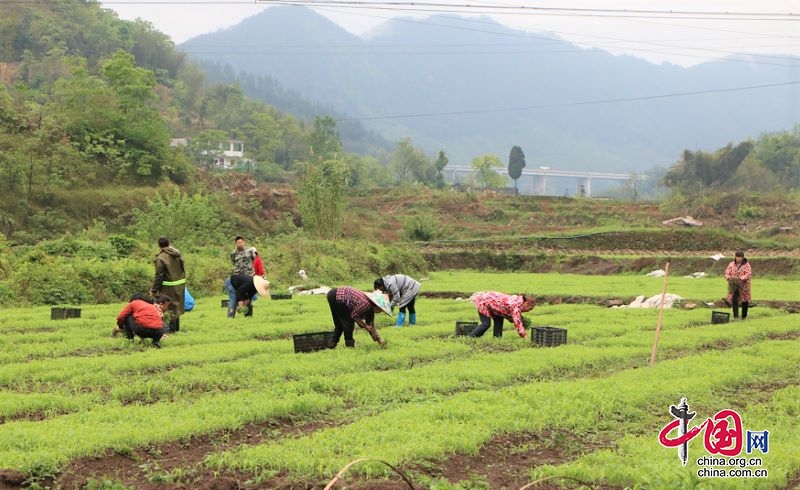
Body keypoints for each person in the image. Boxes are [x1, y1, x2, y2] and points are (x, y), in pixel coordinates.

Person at [326, 287, 391, 348]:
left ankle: (331, 344)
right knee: (348, 322)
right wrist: (365, 326)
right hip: (337, 296)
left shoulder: (370, 311)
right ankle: (349, 345)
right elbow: (354, 315)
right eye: (381, 310)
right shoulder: (366, 304)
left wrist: (379, 340)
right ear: (376, 306)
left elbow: (371, 326)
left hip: (335, 295)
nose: (380, 312)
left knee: (340, 324)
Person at [150, 236, 186, 332]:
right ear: (168, 243)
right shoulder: (177, 254)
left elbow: (159, 276)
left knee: (167, 307)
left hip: (167, 286)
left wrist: (153, 290)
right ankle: (175, 329)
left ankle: (169, 330)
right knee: (176, 307)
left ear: (159, 245)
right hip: (179, 284)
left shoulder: (161, 258)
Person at [468, 291, 536, 338]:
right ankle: (470, 337)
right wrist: (524, 336)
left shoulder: (518, 301)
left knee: (499, 320)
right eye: (529, 309)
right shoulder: (515, 305)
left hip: (496, 308)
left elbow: (507, 313)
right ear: (526, 303)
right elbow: (517, 323)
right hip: (483, 302)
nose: (528, 311)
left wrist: (512, 318)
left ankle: (497, 339)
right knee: (486, 324)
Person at [723, 250, 752, 319]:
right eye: (737, 257)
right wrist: (729, 278)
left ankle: (744, 316)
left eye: (740, 257)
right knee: (734, 299)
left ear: (743, 258)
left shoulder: (746, 265)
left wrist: (740, 279)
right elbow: (727, 272)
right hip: (734, 286)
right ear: (735, 257)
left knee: (745, 300)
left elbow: (748, 274)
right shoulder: (731, 264)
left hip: (743, 286)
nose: (739, 258)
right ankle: (736, 316)